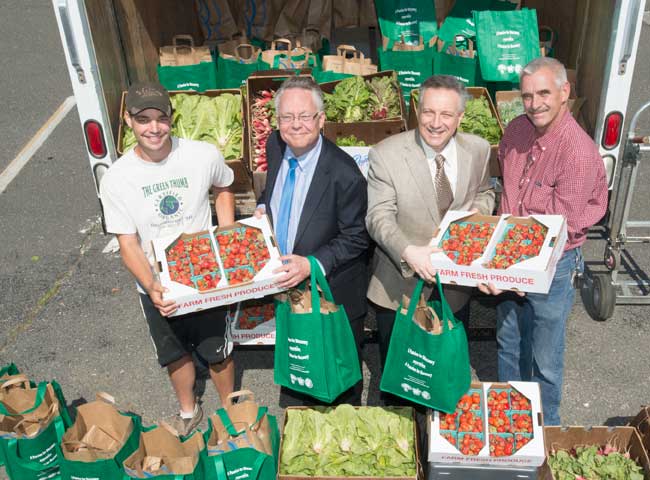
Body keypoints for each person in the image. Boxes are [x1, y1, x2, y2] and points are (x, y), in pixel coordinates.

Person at [99, 82, 236, 435]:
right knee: (174, 352)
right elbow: (128, 243)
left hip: (204, 275)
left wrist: (227, 233)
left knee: (216, 349)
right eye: (143, 119)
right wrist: (152, 286)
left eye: (161, 118)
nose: (154, 128)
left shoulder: (202, 155)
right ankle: (188, 411)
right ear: (129, 121)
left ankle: (229, 412)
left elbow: (224, 188)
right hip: (157, 281)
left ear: (171, 119)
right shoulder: (117, 179)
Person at [479, 57, 608, 425]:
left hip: (553, 262)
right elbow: (507, 191)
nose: (535, 103)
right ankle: (511, 415)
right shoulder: (517, 131)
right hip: (512, 252)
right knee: (508, 339)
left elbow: (557, 228)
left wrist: (519, 273)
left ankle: (545, 427)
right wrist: (501, 263)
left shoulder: (577, 153)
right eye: (527, 96)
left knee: (545, 355)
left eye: (544, 93)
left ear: (565, 92)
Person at [366, 75, 495, 403]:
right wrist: (410, 252)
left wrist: (469, 221)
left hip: (454, 287)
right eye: (428, 113)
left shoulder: (478, 149)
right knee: (403, 381)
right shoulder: (386, 154)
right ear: (417, 111)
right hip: (399, 289)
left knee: (444, 375)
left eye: (446, 115)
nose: (436, 123)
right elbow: (378, 217)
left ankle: (438, 442)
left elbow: (485, 192)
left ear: (460, 117)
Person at [254, 76, 370, 406]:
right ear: (277, 123)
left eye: (305, 116)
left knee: (339, 384)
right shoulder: (275, 145)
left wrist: (311, 263)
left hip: (333, 291)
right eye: (287, 117)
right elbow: (272, 188)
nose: (296, 125)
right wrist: (264, 206)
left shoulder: (344, 173)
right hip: (289, 289)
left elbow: (357, 237)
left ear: (321, 119)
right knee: (300, 370)